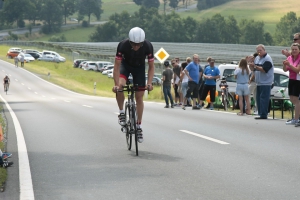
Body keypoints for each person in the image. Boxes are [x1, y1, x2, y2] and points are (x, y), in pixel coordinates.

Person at [112, 27, 154, 143]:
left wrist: (149, 83)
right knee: (120, 86)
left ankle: (139, 126)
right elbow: (116, 66)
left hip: (139, 68)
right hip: (125, 66)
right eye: (133, 44)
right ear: (129, 41)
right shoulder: (123, 45)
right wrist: (116, 85)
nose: (136, 47)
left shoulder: (148, 46)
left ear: (142, 42)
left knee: (139, 97)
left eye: (138, 44)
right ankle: (121, 113)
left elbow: (151, 67)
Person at [249, 44, 274, 120]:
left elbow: (264, 69)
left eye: (260, 50)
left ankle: (264, 114)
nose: (259, 52)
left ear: (264, 50)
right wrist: (251, 65)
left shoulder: (267, 59)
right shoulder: (257, 58)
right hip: (259, 82)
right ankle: (260, 113)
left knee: (264, 98)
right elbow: (254, 70)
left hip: (266, 82)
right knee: (258, 98)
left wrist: (255, 66)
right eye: (258, 51)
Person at [282, 43, 300, 125]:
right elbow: (285, 70)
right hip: (291, 79)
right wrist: (285, 65)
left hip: (298, 80)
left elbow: (297, 70)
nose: (294, 51)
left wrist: (289, 64)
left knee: (296, 100)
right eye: (293, 49)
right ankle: (296, 118)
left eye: (296, 49)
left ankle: (296, 119)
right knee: (292, 99)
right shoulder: (289, 58)